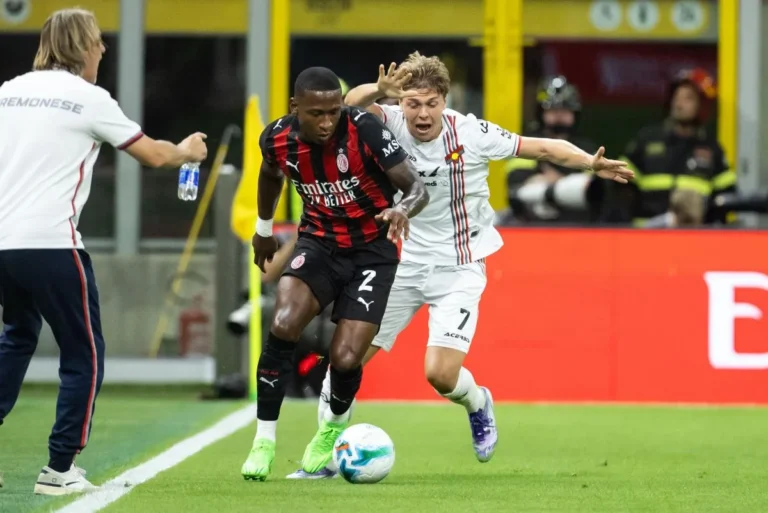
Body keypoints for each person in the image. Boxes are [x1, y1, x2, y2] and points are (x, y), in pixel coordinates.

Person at [289, 52, 633, 478]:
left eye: (431, 103)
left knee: (439, 373)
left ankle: (477, 402)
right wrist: (380, 90)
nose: (421, 113)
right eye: (413, 103)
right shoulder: (388, 122)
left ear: (444, 101)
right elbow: (350, 107)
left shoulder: (469, 132)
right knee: (346, 359)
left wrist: (591, 163)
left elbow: (540, 147)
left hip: (460, 265)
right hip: (402, 262)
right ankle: (322, 455)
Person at [0, 8, 208, 495]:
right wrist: (186, 152)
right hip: (52, 243)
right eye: (97, 42)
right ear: (81, 47)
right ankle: (59, 469)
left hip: (3, 244)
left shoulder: (7, 92)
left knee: (17, 335)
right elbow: (154, 156)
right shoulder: (89, 99)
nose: (103, 50)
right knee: (84, 352)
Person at [240, 66, 428, 481]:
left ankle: (332, 429)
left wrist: (401, 208)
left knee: (344, 358)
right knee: (284, 323)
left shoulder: (365, 130)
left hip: (371, 252)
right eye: (316, 113)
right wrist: (264, 231)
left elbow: (416, 187)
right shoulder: (276, 137)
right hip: (319, 243)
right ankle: (264, 439)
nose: (327, 122)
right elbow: (270, 173)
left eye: (333, 111)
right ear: (296, 109)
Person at [613, 68, 735, 225]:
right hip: (645, 237)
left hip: (693, 240)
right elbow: (621, 188)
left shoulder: (712, 149)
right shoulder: (647, 140)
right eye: (676, 97)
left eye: (688, 99)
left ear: (702, 105)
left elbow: (726, 199)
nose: (679, 104)